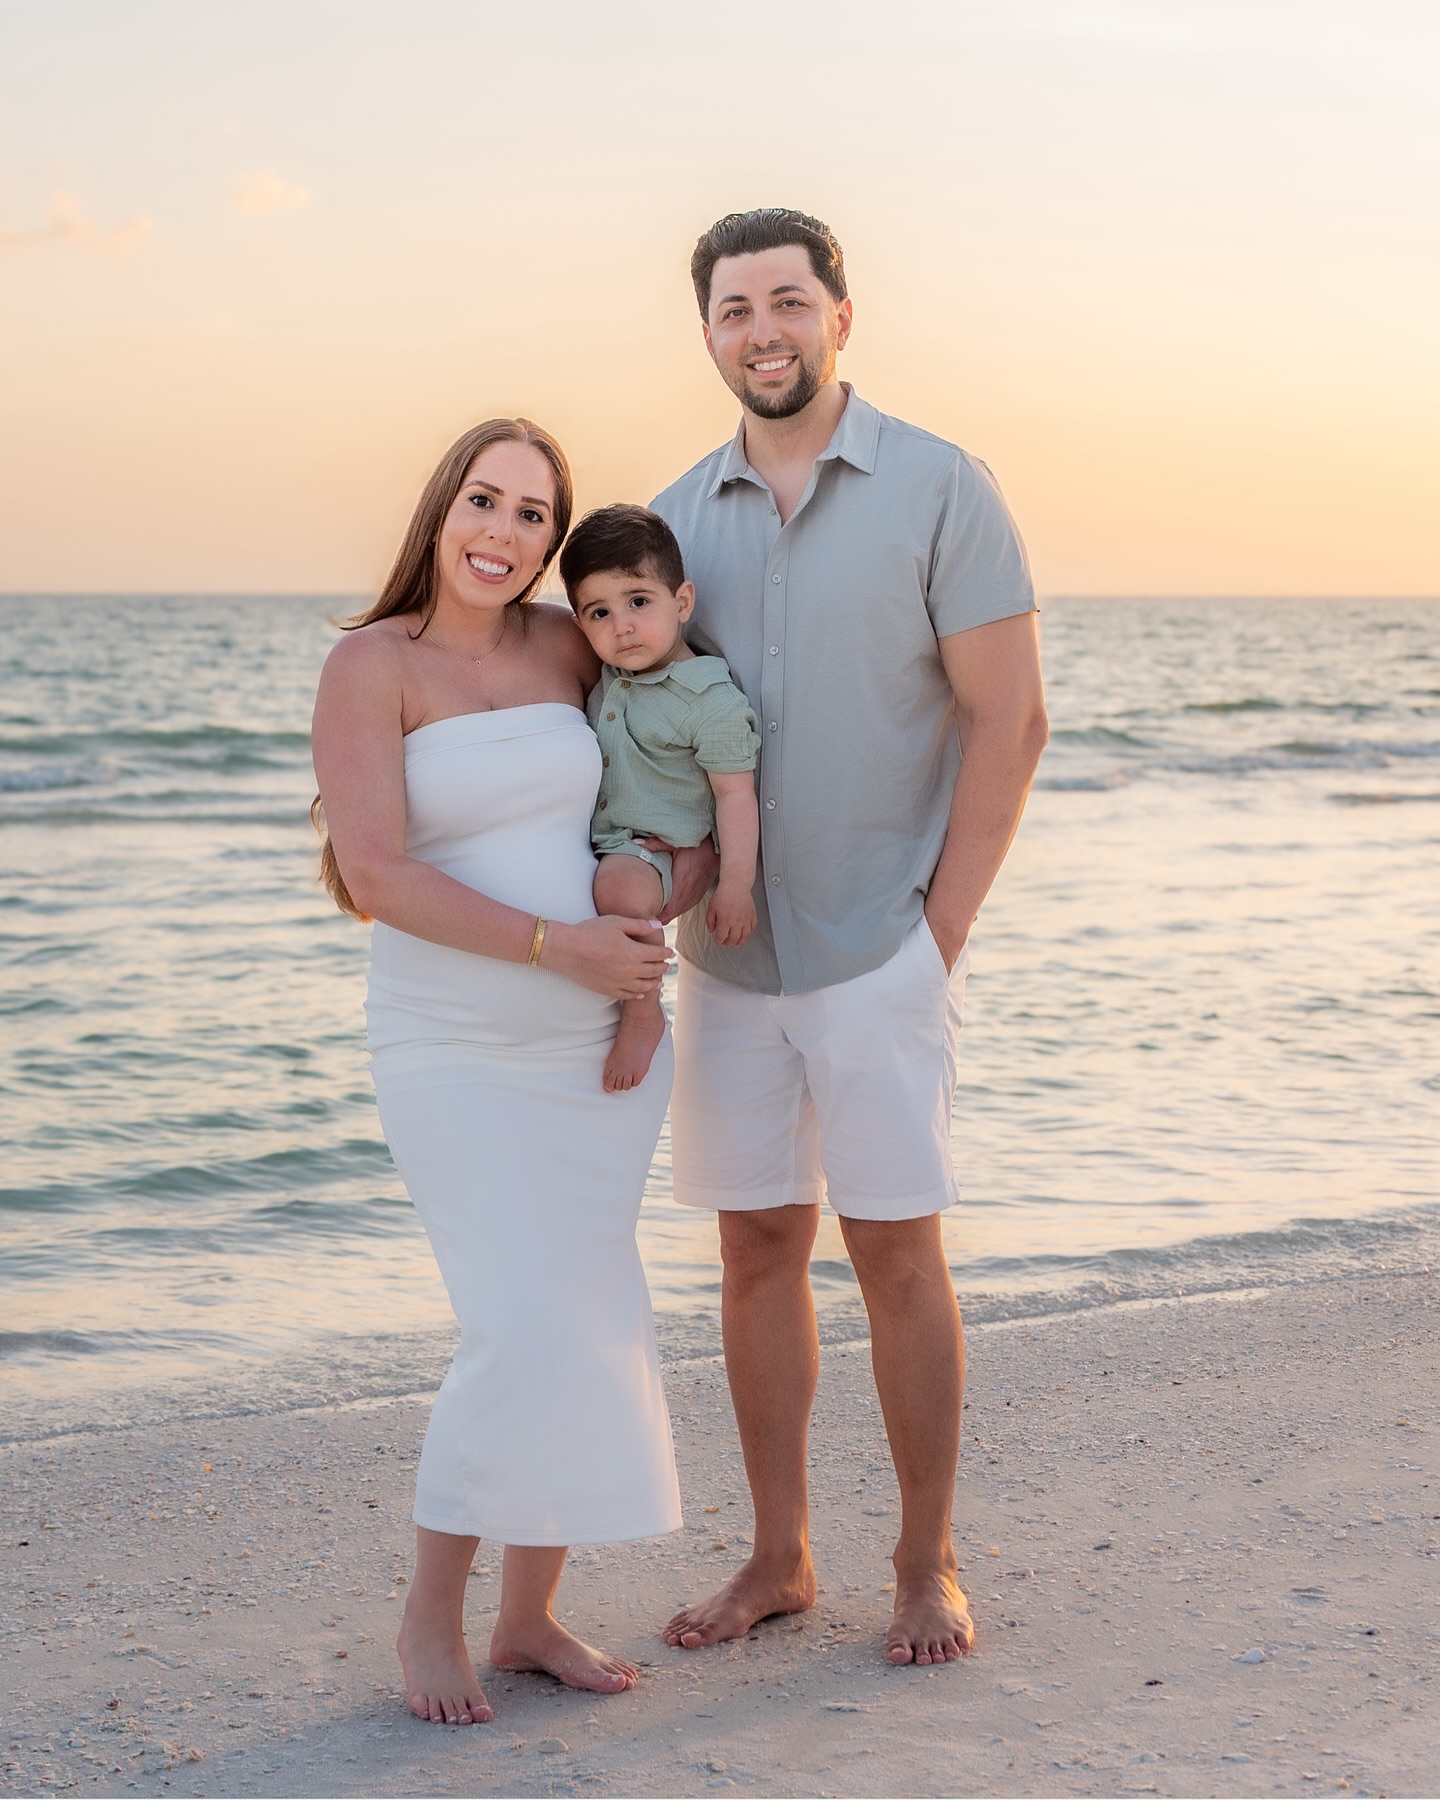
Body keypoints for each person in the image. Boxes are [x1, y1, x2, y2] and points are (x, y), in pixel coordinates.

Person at [650, 209, 1049, 1666]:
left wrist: (937, 934)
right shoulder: (670, 515)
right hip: (731, 961)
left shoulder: (941, 485)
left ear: (842, 316)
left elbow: (1011, 719)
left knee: (897, 1252)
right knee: (755, 1248)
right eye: (735, 307)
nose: (764, 328)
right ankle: (777, 1556)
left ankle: (927, 1562)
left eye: (789, 301)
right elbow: (640, 734)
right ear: (705, 333)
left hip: (884, 946)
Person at [310, 419, 681, 1728]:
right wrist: (553, 945)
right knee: (515, 1324)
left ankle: (527, 1620)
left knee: (582, 1317)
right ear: (442, 506)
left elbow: (663, 777)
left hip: (596, 1043)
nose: (505, 533)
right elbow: (378, 874)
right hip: (453, 1048)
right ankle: (431, 1616)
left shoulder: (568, 645)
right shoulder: (371, 665)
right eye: (487, 500)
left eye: (534, 514)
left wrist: (652, 930)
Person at [558, 504, 761, 1093]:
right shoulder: (612, 680)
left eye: (638, 602)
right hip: (609, 839)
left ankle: (643, 1013)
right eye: (599, 612)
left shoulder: (711, 700)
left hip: (655, 856)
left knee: (619, 888)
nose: (621, 625)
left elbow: (736, 798)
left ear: (683, 602)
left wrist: (735, 886)